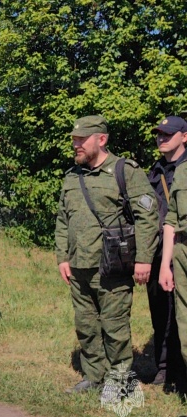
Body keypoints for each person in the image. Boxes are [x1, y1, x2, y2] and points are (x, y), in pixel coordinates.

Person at [55, 115, 158, 394]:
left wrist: (144, 258)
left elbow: (148, 216)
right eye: (74, 139)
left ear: (101, 139)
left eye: (81, 139)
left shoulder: (126, 171)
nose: (75, 145)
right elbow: (64, 219)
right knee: (86, 326)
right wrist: (62, 257)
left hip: (112, 265)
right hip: (78, 266)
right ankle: (93, 376)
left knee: (115, 329)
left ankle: (121, 383)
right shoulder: (72, 176)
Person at [147, 116, 187, 390]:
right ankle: (163, 368)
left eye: (168, 135)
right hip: (159, 248)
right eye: (159, 135)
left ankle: (181, 371)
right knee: (160, 308)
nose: (162, 139)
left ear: (184, 136)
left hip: (181, 245)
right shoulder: (156, 169)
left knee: (181, 313)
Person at [158, 124, 187, 417]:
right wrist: (166, 264)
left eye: (169, 134)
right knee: (182, 324)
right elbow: (171, 219)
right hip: (179, 251)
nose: (161, 139)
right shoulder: (178, 171)